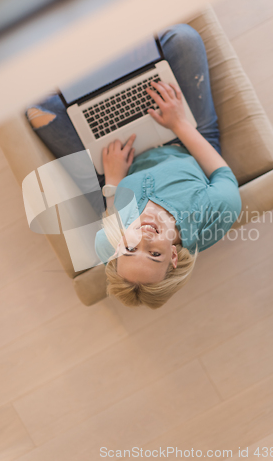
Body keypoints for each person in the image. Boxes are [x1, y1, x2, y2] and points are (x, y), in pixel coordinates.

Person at [26, 24, 242, 310]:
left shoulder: (107, 245)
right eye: (154, 253)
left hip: (119, 168)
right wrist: (178, 122)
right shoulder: (220, 210)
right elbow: (221, 173)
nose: (144, 236)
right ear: (174, 257)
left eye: (130, 249)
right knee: (183, 38)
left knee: (39, 109)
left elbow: (112, 211)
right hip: (183, 142)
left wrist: (113, 178)